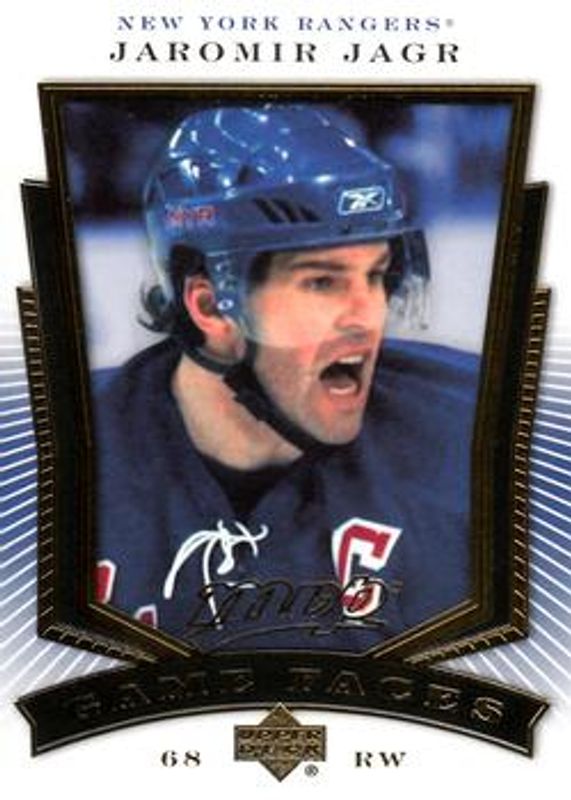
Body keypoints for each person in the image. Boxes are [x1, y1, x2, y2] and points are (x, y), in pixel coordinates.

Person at [93, 104, 479, 653]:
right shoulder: (52, 458)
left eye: (376, 275)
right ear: (211, 306)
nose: (367, 316)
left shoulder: (478, 432)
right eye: (321, 282)